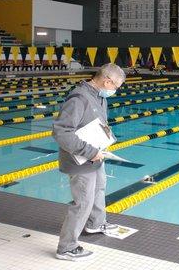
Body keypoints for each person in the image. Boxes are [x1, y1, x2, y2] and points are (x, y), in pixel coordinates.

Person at [53, 63, 126, 261]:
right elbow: (61, 132)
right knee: (83, 202)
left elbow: (97, 124)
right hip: (80, 160)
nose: (115, 91)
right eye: (116, 86)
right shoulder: (79, 99)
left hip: (95, 156)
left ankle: (95, 223)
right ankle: (66, 247)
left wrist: (106, 139)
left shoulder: (99, 98)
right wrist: (90, 151)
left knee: (100, 188)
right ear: (107, 81)